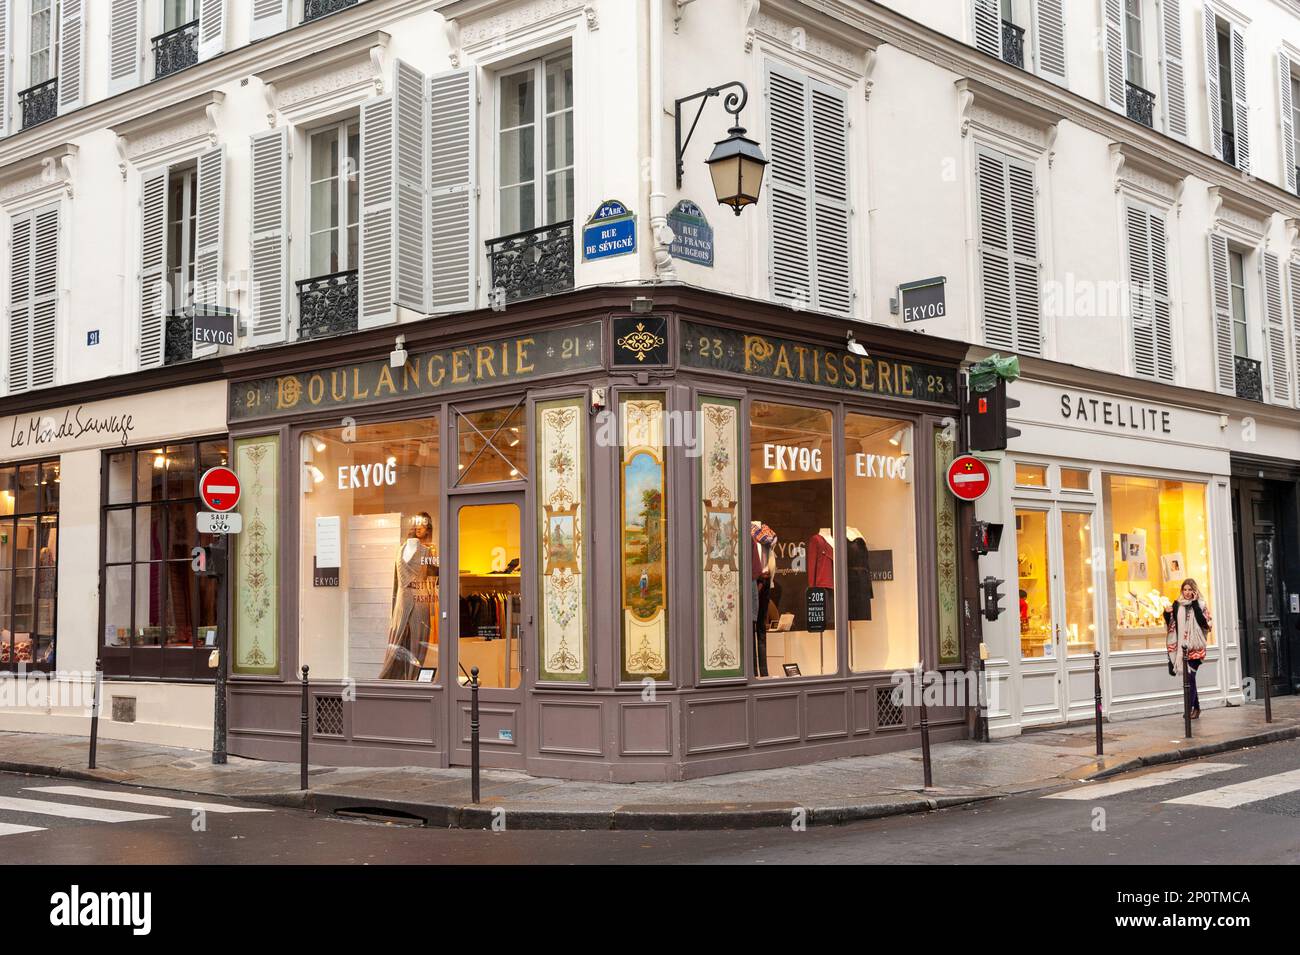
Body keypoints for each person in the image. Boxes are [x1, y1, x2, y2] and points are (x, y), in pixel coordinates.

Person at [1164, 578, 1211, 719]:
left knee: (1190, 678)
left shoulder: (1201, 604)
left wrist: (1195, 604)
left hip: (1195, 647)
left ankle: (1189, 708)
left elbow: (1205, 624)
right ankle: (1196, 708)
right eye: (1185, 589)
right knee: (1190, 679)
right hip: (1182, 648)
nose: (1187, 592)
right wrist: (1166, 613)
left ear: (1194, 591)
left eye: (1190, 589)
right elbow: (1171, 624)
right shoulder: (1177, 604)